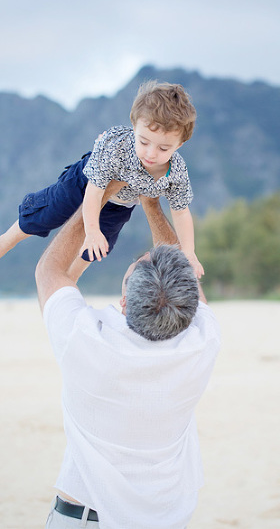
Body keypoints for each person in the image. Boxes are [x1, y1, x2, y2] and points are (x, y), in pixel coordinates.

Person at [36, 190, 220, 528]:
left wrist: (96, 199)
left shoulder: (87, 340)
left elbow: (49, 270)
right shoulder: (200, 344)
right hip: (167, 521)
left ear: (124, 304)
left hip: (87, 519)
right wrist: (151, 204)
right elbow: (185, 274)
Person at [0, 80, 204, 279]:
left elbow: (181, 212)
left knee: (98, 246)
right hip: (85, 182)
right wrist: (91, 230)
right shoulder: (118, 149)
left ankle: (71, 279)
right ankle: (6, 241)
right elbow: (94, 191)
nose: (151, 153)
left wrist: (189, 252)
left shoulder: (176, 172)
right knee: (49, 213)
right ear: (134, 127)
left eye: (163, 148)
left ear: (179, 144)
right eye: (143, 142)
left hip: (121, 205)